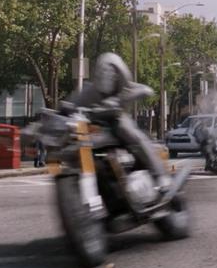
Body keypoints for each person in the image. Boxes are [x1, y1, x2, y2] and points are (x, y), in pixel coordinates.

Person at [61, 53, 168, 184]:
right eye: (103, 71)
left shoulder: (126, 88)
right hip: (94, 128)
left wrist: (119, 100)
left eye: (111, 72)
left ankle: (160, 175)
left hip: (117, 121)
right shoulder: (88, 92)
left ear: (118, 75)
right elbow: (70, 105)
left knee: (130, 133)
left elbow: (146, 90)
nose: (107, 75)